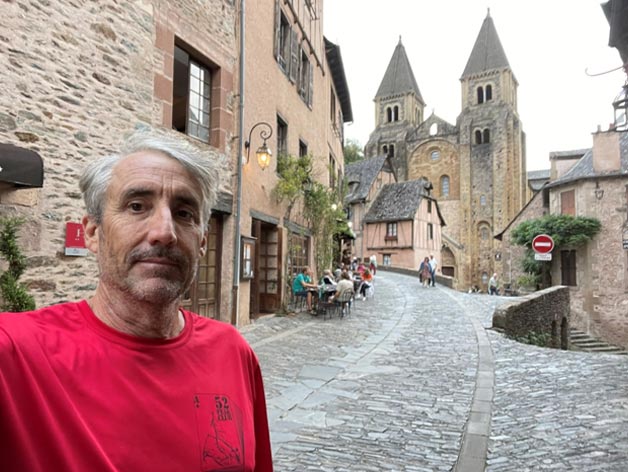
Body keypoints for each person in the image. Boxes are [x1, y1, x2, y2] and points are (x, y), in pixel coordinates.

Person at [0, 130, 273, 471]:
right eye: (137, 206)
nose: (164, 231)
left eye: (184, 213)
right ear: (93, 233)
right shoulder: (18, 355)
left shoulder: (234, 353)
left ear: (202, 241)